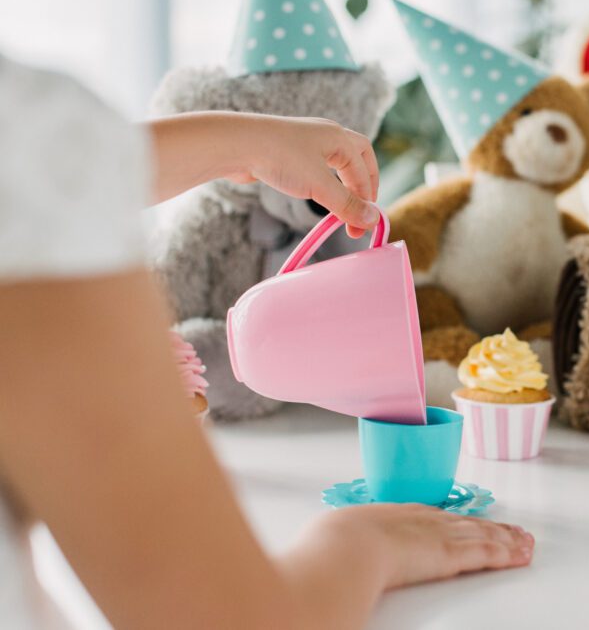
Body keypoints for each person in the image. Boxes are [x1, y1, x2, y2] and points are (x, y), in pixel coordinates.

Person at [0, 54, 534, 629]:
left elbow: (76, 170)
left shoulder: (34, 144)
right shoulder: (30, 133)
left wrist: (248, 142)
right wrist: (367, 542)